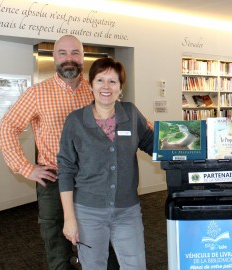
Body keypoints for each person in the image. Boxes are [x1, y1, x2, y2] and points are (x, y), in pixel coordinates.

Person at [0, 35, 118, 269]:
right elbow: (7, 126)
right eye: (62, 53)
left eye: (75, 53)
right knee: (56, 244)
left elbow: (124, 121)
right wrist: (26, 168)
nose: (69, 59)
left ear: (82, 57)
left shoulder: (95, 89)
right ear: (54, 57)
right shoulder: (37, 93)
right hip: (53, 180)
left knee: (102, 240)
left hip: (92, 179)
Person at [58, 57, 154, 269]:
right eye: (100, 80)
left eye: (113, 81)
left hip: (127, 210)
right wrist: (69, 218)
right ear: (90, 84)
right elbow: (65, 170)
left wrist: (186, 146)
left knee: (135, 265)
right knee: (94, 265)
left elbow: (151, 143)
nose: (106, 87)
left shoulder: (130, 112)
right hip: (88, 212)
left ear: (121, 88)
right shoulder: (75, 121)